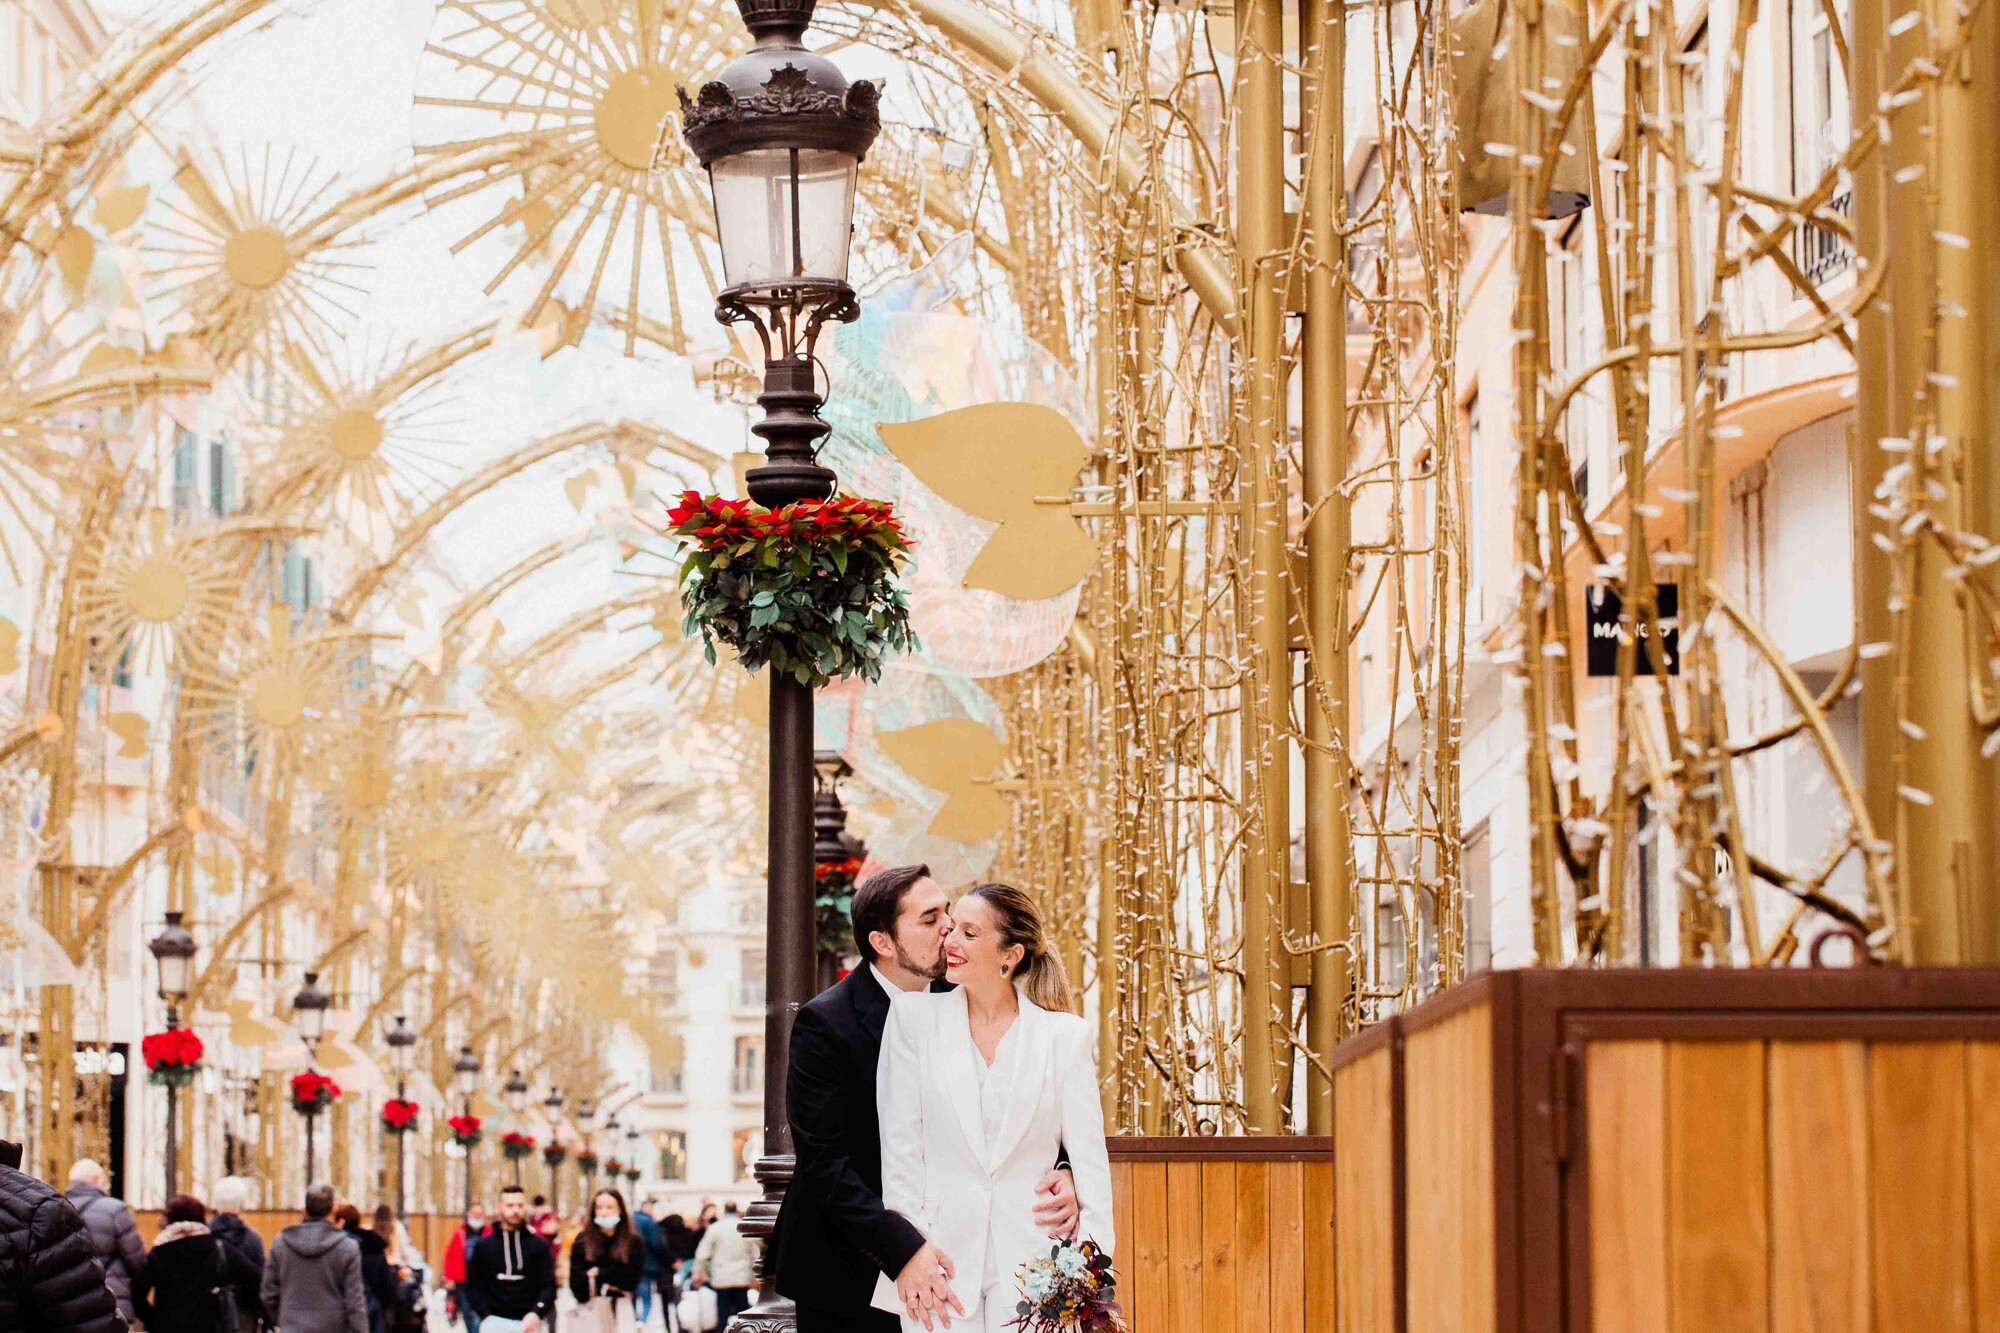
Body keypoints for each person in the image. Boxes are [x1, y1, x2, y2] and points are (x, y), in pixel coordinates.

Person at [770, 865, 1077, 1333]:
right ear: (884, 943)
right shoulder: (827, 1024)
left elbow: (1022, 1103)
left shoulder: (969, 997)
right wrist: (903, 1249)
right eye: (930, 919)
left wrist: (1063, 1171)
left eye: (948, 914)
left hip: (956, 1265)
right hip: (846, 1267)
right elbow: (826, 1163)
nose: (948, 929)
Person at [874, 883, 1113, 1333]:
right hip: (937, 1267)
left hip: (1040, 1270)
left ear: (1011, 954)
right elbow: (901, 1156)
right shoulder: (911, 1020)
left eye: (969, 932)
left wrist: (1089, 1281)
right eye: (952, 929)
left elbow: (1092, 1170)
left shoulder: (1065, 1037)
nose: (951, 941)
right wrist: (908, 1253)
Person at [0, 1138, 126, 1332]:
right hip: (92, 1293)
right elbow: (135, 1260)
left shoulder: (38, 1209)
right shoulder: (39, 1209)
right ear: (97, 1180)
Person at [136, 1192, 261, 1333]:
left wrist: (154, 1320)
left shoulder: (160, 1251)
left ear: (170, 1219)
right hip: (210, 1326)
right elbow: (255, 1277)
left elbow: (136, 1293)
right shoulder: (218, 1248)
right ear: (201, 1217)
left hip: (169, 1327)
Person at [263, 1182, 369, 1333]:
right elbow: (355, 1303)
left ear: (304, 1210)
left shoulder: (281, 1244)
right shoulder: (347, 1247)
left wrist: (285, 1319)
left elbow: (268, 1293)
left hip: (292, 1326)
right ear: (333, 1211)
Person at [65, 1156, 147, 1324]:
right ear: (96, 1179)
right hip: (110, 1299)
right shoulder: (116, 1210)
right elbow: (136, 1260)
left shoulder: (54, 1209)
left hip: (69, 1301)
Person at [465, 1184, 556, 1331]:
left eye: (520, 1205)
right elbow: (473, 1284)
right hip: (494, 1322)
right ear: (499, 1207)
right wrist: (485, 1315)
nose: (515, 1210)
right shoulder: (484, 1246)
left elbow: (548, 1284)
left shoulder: (538, 1245)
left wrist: (536, 1312)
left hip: (528, 1322)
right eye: (510, 1205)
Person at [569, 1188, 642, 1329]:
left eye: (609, 1208)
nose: (604, 1213)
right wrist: (613, 1279)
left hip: (621, 1309)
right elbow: (577, 1283)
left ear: (620, 1209)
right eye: (599, 1208)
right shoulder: (583, 1241)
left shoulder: (633, 1241)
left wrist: (599, 1273)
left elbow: (631, 1280)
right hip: (591, 1310)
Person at [211, 1176, 268, 1332]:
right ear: (242, 1205)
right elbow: (261, 1281)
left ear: (215, 1203)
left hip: (210, 1315)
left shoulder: (204, 1236)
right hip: (245, 1315)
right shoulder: (253, 1239)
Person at [690, 1201, 756, 1329]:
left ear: (724, 1211)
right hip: (742, 1276)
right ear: (736, 1210)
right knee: (742, 1315)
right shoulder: (745, 1227)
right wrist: (755, 1277)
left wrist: (699, 1273)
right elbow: (755, 1253)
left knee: (722, 1314)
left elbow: (702, 1254)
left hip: (722, 1277)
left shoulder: (715, 1228)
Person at [334, 1202, 399, 1333]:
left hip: (340, 1316)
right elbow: (387, 1287)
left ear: (339, 1222)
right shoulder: (374, 1246)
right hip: (372, 1314)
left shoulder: (334, 1248)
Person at [443, 1202, 488, 1332]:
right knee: (467, 1313)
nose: (477, 1217)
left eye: (480, 1214)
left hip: (483, 1282)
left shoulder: (489, 1233)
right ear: (469, 1215)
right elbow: (449, 1257)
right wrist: (449, 1278)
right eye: (474, 1214)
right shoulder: (460, 1234)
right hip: (463, 1281)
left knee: (479, 1315)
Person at [630, 1199, 664, 1328]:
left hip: (631, 1265)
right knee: (646, 1297)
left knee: (633, 1294)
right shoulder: (649, 1223)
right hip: (646, 1264)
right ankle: (642, 1320)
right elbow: (656, 1244)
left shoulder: (630, 1220)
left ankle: (636, 1318)